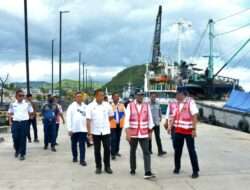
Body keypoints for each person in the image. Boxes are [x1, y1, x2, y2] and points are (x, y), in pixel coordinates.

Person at [166, 87, 200, 179]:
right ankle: (177, 167)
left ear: (181, 94)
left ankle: (195, 171)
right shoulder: (177, 104)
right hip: (178, 131)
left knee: (191, 151)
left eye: (176, 94)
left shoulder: (190, 102)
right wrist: (170, 126)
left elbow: (194, 115)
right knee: (177, 151)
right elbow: (173, 116)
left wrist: (194, 129)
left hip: (189, 131)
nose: (175, 96)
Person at [124, 90, 156, 179]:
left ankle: (147, 171)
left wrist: (150, 132)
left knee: (146, 152)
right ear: (135, 96)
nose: (140, 97)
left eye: (142, 95)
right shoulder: (130, 106)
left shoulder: (146, 105)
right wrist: (127, 133)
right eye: (139, 95)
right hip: (133, 133)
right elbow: (126, 120)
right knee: (132, 151)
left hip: (144, 133)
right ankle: (133, 168)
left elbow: (150, 119)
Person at [86, 89, 114, 174]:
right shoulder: (90, 106)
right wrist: (89, 133)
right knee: (97, 150)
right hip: (95, 132)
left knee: (107, 149)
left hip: (106, 131)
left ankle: (107, 166)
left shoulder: (107, 105)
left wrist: (105, 123)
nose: (102, 97)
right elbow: (88, 120)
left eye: (103, 95)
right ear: (96, 96)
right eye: (100, 95)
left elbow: (111, 116)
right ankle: (98, 167)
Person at [8, 89, 33, 160]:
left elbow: (31, 111)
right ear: (16, 96)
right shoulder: (12, 104)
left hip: (24, 123)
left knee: (23, 138)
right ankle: (17, 149)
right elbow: (9, 113)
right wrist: (10, 122)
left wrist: (29, 117)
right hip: (15, 123)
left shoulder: (27, 103)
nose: (21, 97)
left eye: (23, 95)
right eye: (20, 95)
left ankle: (22, 154)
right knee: (15, 137)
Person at [66, 92, 88, 166]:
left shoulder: (85, 106)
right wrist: (69, 129)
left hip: (83, 129)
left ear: (82, 98)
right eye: (77, 96)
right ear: (75, 98)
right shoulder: (71, 106)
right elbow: (68, 118)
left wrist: (88, 129)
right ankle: (75, 156)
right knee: (74, 144)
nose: (79, 98)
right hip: (74, 129)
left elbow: (88, 118)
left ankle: (82, 160)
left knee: (82, 145)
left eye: (80, 96)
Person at [110, 92, 125, 160]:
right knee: (113, 139)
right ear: (112, 98)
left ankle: (116, 151)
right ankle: (112, 153)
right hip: (112, 125)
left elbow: (124, 113)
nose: (117, 98)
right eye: (115, 96)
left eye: (118, 96)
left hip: (120, 125)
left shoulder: (121, 105)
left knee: (118, 138)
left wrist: (122, 118)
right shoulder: (110, 106)